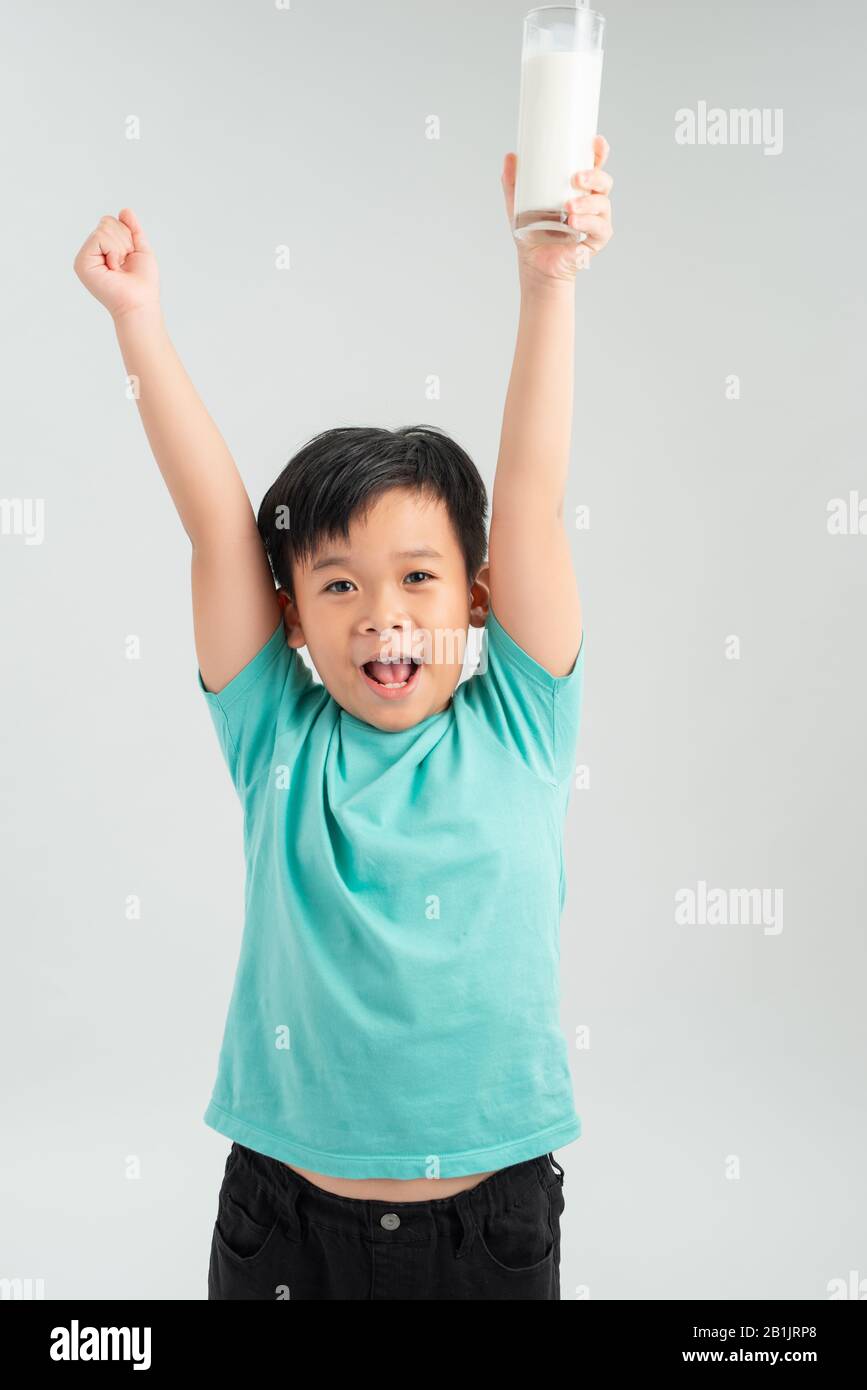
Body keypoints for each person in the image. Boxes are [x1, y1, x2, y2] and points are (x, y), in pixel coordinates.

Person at [72, 138, 614, 1300]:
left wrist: (548, 282)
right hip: (287, 1224)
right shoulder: (277, 735)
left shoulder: (520, 720)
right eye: (338, 586)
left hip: (492, 1228)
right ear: (292, 618)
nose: (382, 619)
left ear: (477, 594)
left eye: (418, 578)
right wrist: (139, 324)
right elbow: (221, 527)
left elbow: (529, 497)